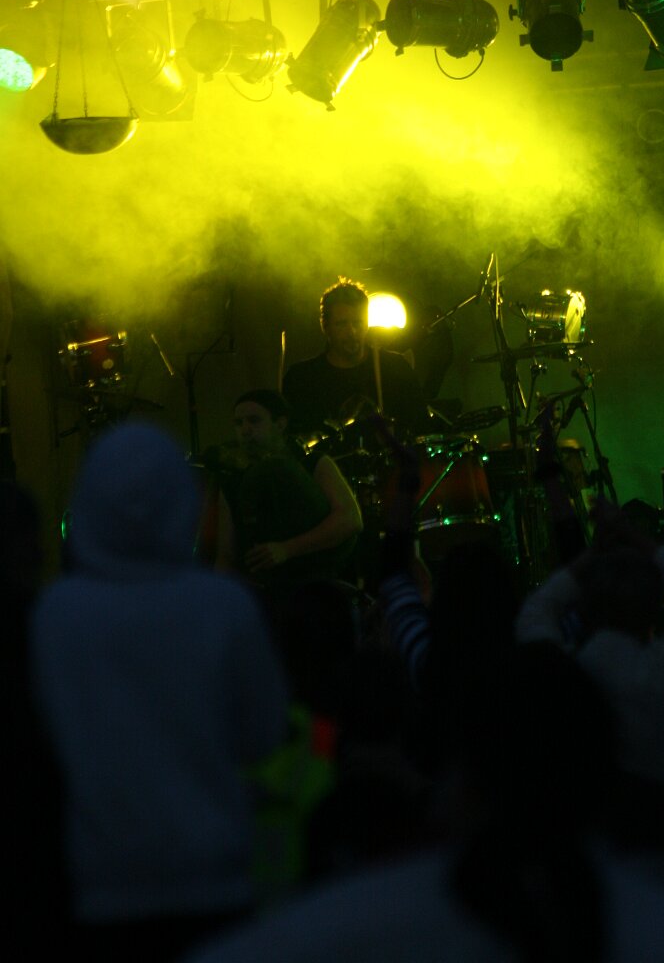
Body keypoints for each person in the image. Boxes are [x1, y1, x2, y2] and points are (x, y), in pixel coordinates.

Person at [30, 421, 288, 963]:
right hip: (215, 875)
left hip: (101, 882)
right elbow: (265, 735)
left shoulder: (57, 613)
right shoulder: (224, 605)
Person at [213, 388, 363, 599]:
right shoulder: (231, 483)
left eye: (254, 420)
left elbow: (350, 519)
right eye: (238, 423)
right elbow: (226, 556)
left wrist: (287, 549)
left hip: (318, 587)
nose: (245, 430)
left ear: (280, 424)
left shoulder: (313, 464)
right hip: (265, 594)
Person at [281, 278, 429, 444]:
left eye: (358, 323)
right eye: (341, 324)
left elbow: (422, 428)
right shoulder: (302, 379)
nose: (352, 332)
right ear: (325, 326)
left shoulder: (395, 368)